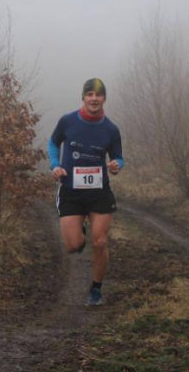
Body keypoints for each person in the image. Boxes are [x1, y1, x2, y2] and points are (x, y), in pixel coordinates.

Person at [48, 78, 124, 306]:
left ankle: (96, 289)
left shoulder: (111, 129)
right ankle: (78, 229)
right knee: (73, 246)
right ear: (83, 97)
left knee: (100, 242)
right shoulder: (68, 121)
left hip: (98, 191)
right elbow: (53, 143)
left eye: (98, 95)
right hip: (71, 190)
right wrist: (55, 165)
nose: (93, 99)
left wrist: (117, 165)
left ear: (104, 99)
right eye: (89, 94)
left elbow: (118, 157)